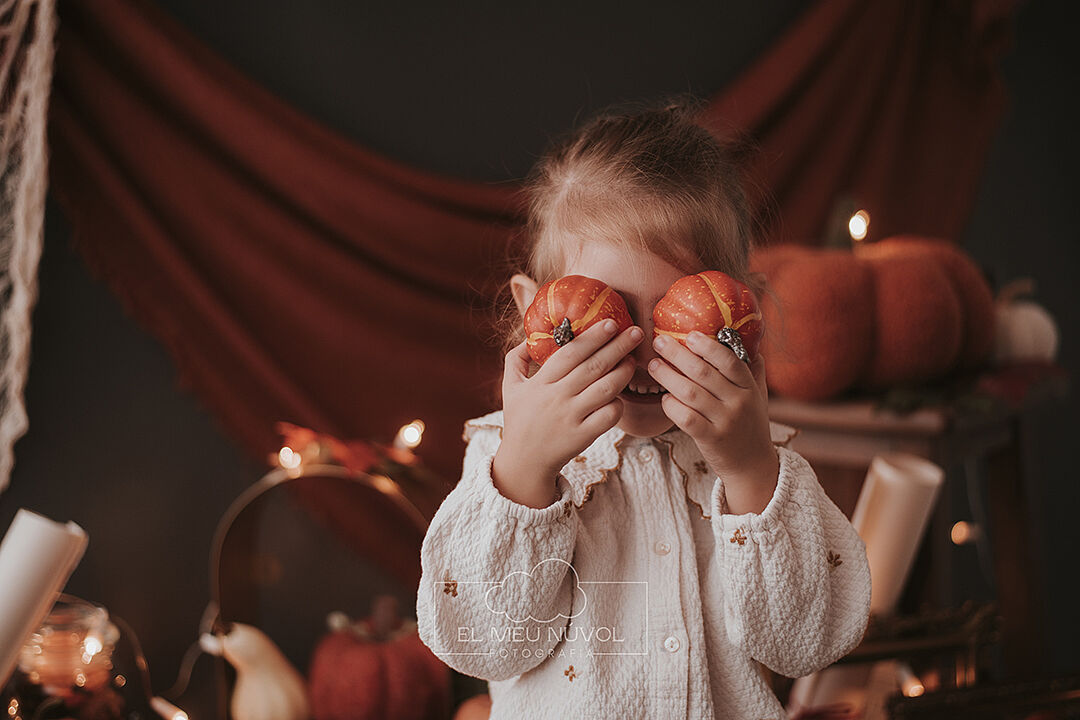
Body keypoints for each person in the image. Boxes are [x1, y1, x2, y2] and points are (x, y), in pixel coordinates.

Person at [416, 100, 871, 719]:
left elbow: (807, 644)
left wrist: (749, 473)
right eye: (607, 310)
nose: (643, 348)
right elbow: (478, 644)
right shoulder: (502, 458)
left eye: (680, 310)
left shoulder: (761, 463)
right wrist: (525, 472)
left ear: (746, 314)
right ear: (535, 310)